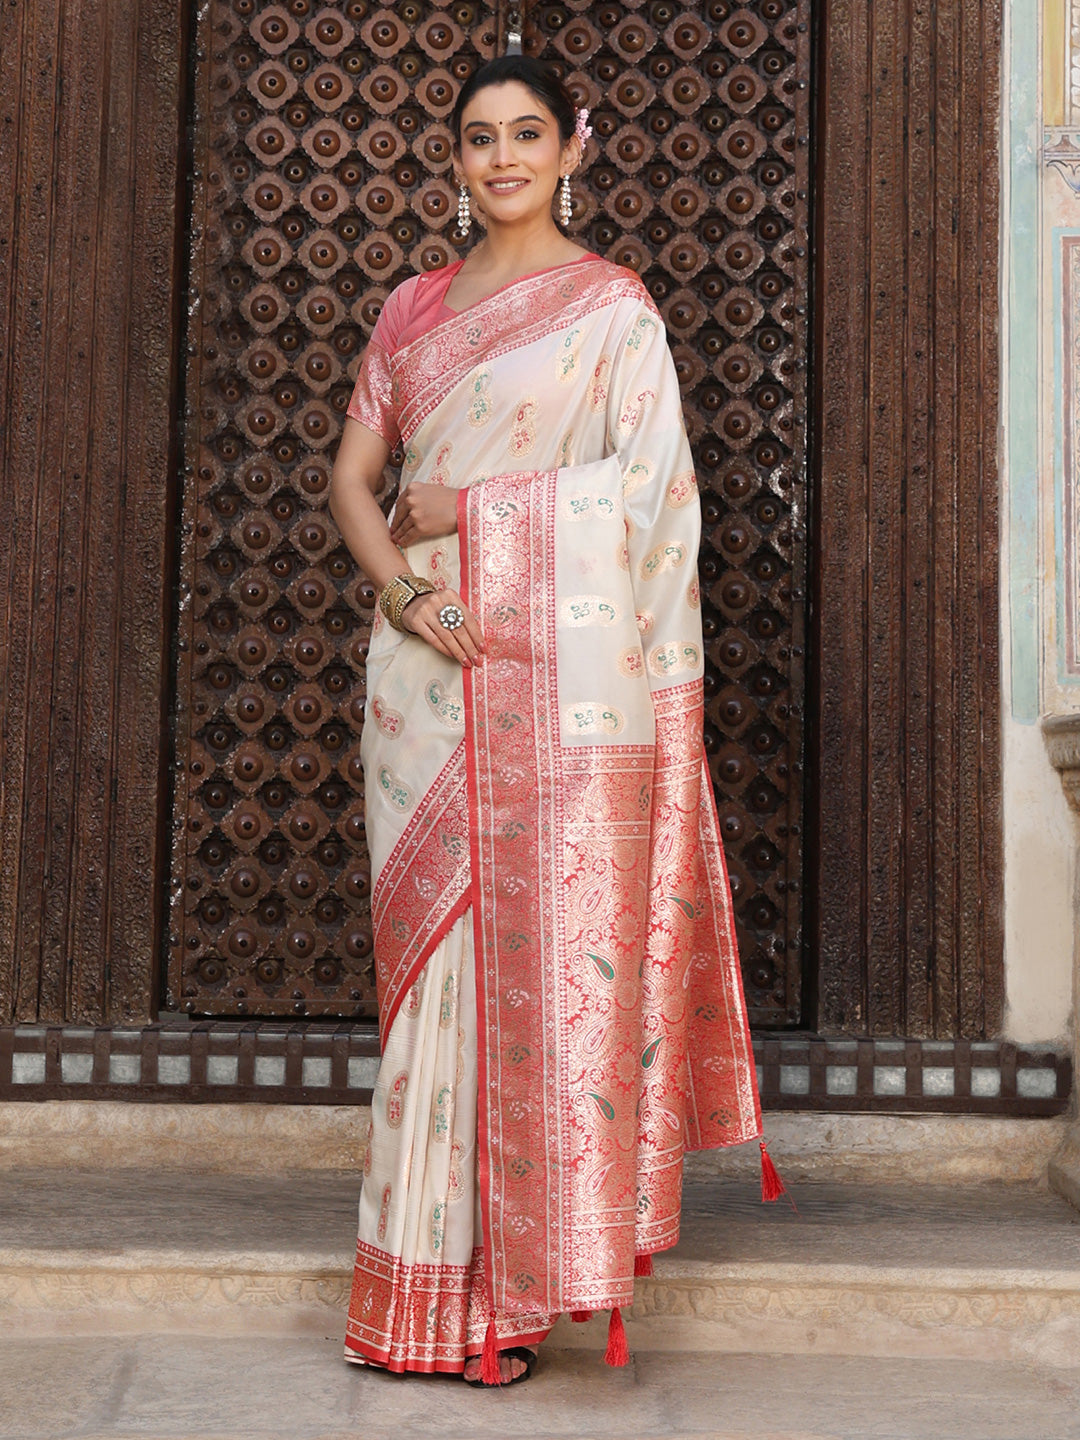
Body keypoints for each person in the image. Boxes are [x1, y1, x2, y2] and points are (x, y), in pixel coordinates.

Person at [329, 54, 765, 1388]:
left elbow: (651, 498)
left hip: (555, 668)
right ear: (454, 160)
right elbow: (354, 482)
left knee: (526, 961)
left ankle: (499, 1305)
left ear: (573, 147)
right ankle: (413, 1300)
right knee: (435, 987)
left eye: (526, 135)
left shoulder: (612, 312)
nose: (502, 157)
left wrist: (467, 514)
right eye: (478, 138)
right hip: (424, 671)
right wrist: (402, 588)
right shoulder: (410, 313)